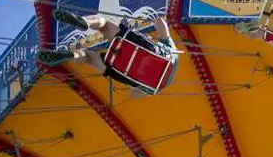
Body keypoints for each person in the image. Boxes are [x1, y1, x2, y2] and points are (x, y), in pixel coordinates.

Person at [37, 10, 177, 98]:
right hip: (121, 69)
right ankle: (70, 55)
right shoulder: (153, 89)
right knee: (89, 58)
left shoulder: (174, 56)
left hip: (136, 46)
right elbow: (133, 95)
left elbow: (161, 25)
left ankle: (85, 22)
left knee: (104, 25)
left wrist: (157, 19)